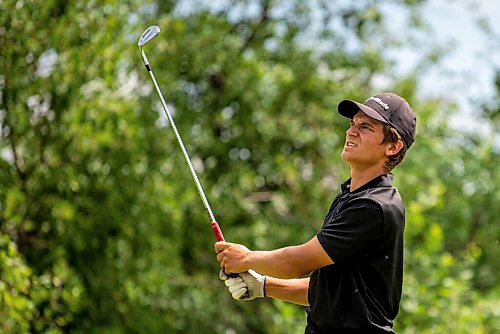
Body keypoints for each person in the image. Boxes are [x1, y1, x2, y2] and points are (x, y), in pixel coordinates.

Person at [215, 92, 417, 333]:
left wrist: (246, 259)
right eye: (353, 124)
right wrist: (264, 286)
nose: (351, 132)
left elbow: (296, 262)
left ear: (394, 146)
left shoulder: (373, 206)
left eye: (366, 127)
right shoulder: (350, 197)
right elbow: (329, 292)